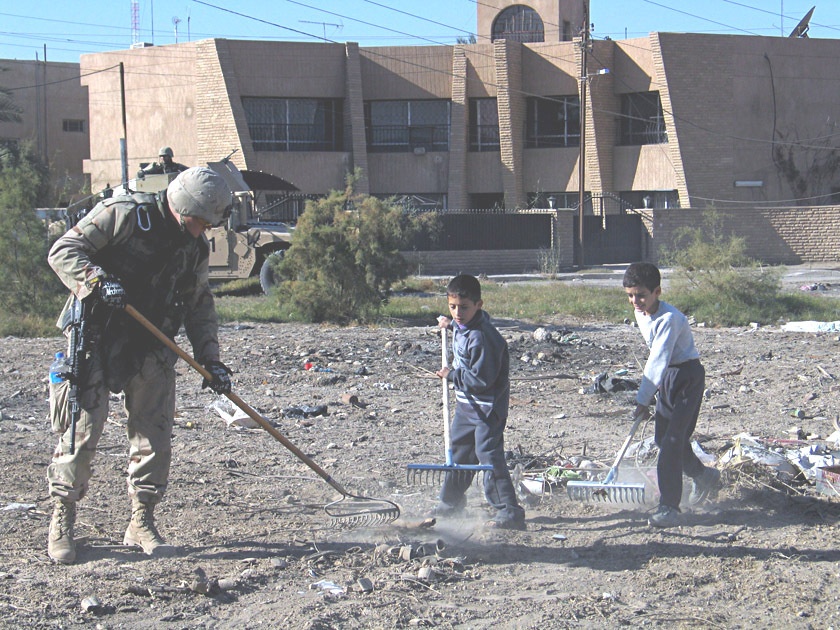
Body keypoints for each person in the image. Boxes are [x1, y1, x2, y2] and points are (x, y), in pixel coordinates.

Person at [46, 166, 235, 564]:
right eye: (201, 222)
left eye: (208, 224)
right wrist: (97, 279)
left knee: (155, 434)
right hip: (96, 335)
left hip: (152, 340)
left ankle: (141, 520)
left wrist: (210, 359)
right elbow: (63, 250)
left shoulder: (194, 248)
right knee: (82, 430)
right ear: (184, 208)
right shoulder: (125, 215)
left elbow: (199, 304)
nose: (204, 230)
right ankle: (63, 518)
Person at [623, 262, 722, 528]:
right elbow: (658, 362)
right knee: (661, 438)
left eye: (641, 295)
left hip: (686, 378)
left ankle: (669, 507)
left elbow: (658, 358)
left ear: (657, 291)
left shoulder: (670, 319)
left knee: (672, 442)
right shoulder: (641, 313)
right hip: (668, 377)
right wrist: (652, 392)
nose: (635, 301)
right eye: (630, 295)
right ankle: (704, 477)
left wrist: (643, 399)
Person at [430, 274, 526, 530]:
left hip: (487, 409)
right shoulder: (463, 327)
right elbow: (461, 328)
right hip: (466, 406)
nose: (458, 312)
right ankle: (450, 503)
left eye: (464, 307)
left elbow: (481, 379)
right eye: (453, 307)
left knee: (488, 456)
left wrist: (453, 375)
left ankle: (509, 510)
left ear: (479, 305)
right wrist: (449, 325)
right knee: (461, 452)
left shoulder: (484, 338)